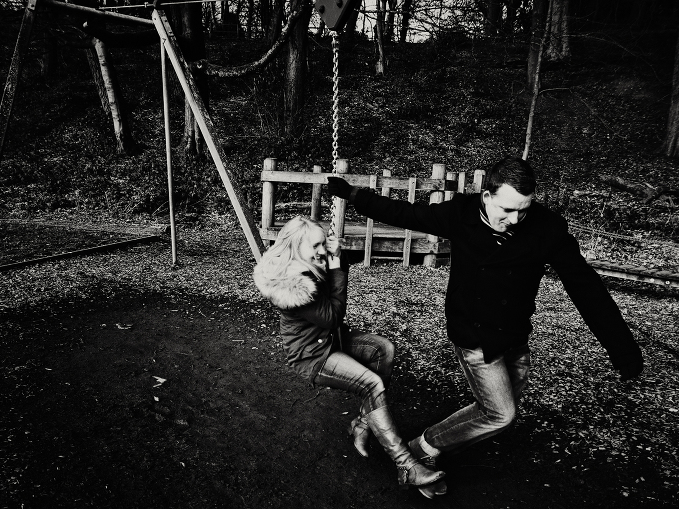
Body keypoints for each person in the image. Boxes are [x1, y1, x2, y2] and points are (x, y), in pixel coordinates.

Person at [327, 156, 644, 495]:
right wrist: (353, 194)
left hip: (515, 334)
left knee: (497, 410)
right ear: (487, 196)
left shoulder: (547, 229)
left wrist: (622, 349)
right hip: (474, 333)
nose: (514, 219)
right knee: (500, 414)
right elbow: (405, 213)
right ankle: (421, 449)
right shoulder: (461, 214)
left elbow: (586, 287)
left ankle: (434, 447)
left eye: (523, 210)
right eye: (507, 210)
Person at [253, 216, 445, 498]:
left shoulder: (307, 262)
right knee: (372, 384)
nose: (321, 250)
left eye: (323, 244)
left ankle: (362, 424)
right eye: (315, 246)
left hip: (332, 340)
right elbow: (332, 316)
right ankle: (407, 466)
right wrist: (334, 264)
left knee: (383, 349)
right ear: (295, 246)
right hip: (312, 355)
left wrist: (336, 257)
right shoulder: (291, 284)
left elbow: (335, 286)